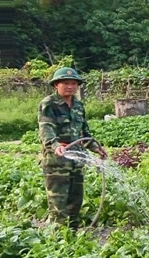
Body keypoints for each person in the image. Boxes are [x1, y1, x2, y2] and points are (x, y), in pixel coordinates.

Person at [38, 67, 106, 230]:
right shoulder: (49, 104)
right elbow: (46, 129)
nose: (70, 86)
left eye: (74, 83)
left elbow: (84, 132)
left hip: (76, 161)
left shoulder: (78, 105)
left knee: (76, 199)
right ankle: (60, 237)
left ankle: (73, 231)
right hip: (57, 162)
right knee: (58, 201)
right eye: (65, 83)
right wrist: (55, 146)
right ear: (56, 85)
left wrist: (96, 148)